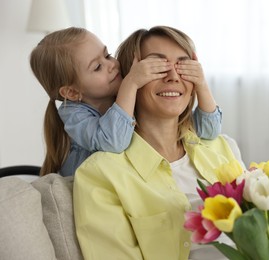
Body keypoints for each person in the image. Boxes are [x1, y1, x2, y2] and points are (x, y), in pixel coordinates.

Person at [73, 25, 243, 260]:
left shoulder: (224, 148)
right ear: (129, 81)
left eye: (184, 66)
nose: (173, 76)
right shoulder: (100, 174)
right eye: (156, 67)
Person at [29, 27, 222, 177]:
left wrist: (201, 84)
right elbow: (113, 141)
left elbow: (209, 131)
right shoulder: (73, 114)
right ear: (71, 92)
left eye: (107, 55)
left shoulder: (126, 100)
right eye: (97, 67)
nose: (112, 65)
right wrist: (131, 82)